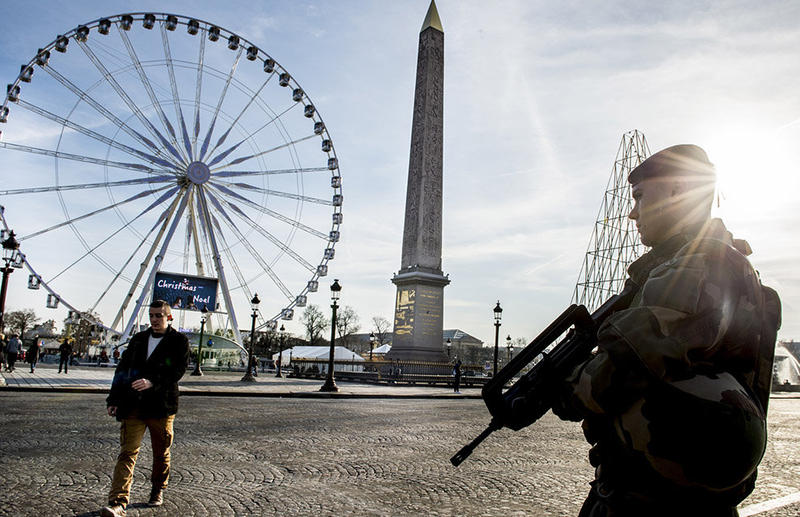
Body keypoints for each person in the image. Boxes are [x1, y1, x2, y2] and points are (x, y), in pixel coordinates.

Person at [552, 145, 781, 517]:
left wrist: (566, 388)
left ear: (677, 190)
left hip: (654, 498)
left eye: (641, 197)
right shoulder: (719, 261)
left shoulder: (697, 264)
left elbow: (629, 359)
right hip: (685, 492)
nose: (632, 212)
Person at [100, 300, 190, 517]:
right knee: (127, 452)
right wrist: (113, 399)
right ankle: (118, 502)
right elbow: (122, 369)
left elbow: (177, 370)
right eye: (151, 315)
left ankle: (158, 488)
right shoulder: (139, 339)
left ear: (169, 317)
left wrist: (152, 382)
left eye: (159, 315)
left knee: (161, 452)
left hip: (161, 406)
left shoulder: (179, 341)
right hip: (134, 405)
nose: (154, 319)